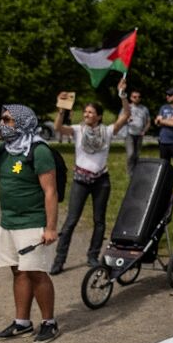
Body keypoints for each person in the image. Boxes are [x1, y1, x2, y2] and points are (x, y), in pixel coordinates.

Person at [0, 104, 61, 343]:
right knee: (18, 270)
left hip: (32, 222)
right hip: (8, 221)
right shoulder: (4, 149)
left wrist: (51, 227)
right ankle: (22, 322)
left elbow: (50, 192)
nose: (2, 124)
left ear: (22, 122)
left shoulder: (38, 150)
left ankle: (49, 323)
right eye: (2, 119)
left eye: (8, 120)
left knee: (36, 272)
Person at [49, 78, 131, 274]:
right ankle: (59, 260)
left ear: (99, 116)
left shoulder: (108, 131)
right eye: (85, 112)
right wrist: (61, 108)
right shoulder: (78, 130)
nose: (86, 114)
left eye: (90, 112)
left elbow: (126, 114)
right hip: (80, 181)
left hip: (101, 181)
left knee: (99, 221)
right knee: (70, 221)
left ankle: (92, 256)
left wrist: (122, 95)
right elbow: (58, 128)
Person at [154, 86, 173, 172]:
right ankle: (165, 183)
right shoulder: (164, 107)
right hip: (163, 141)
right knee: (163, 165)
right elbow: (156, 122)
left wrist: (162, 121)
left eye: (170, 95)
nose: (167, 96)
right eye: (167, 95)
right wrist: (167, 120)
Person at [124, 88, 151, 176]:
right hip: (129, 133)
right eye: (134, 97)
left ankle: (136, 171)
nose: (137, 98)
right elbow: (120, 120)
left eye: (138, 97)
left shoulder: (144, 109)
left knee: (137, 154)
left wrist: (144, 131)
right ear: (131, 98)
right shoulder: (127, 107)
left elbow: (148, 121)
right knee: (130, 154)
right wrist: (127, 119)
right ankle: (129, 172)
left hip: (140, 134)